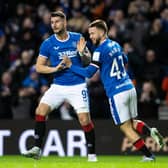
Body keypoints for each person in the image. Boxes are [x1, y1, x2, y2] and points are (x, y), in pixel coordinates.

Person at [63, 19, 165, 162]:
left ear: (102, 32)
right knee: (131, 121)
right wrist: (86, 55)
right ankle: (151, 132)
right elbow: (124, 60)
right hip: (129, 87)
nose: (90, 36)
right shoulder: (116, 45)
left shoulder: (99, 51)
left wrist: (70, 65)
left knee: (125, 128)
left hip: (117, 92)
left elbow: (88, 73)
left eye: (92, 33)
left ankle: (149, 156)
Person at [22, 11, 97, 162]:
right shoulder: (48, 43)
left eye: (57, 22)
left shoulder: (77, 38)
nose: (54, 25)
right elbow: (39, 67)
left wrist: (83, 53)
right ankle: (37, 148)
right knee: (40, 110)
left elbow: (88, 62)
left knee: (84, 120)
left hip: (77, 85)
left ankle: (92, 155)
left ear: (64, 22)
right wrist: (54, 69)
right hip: (58, 85)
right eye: (52, 22)